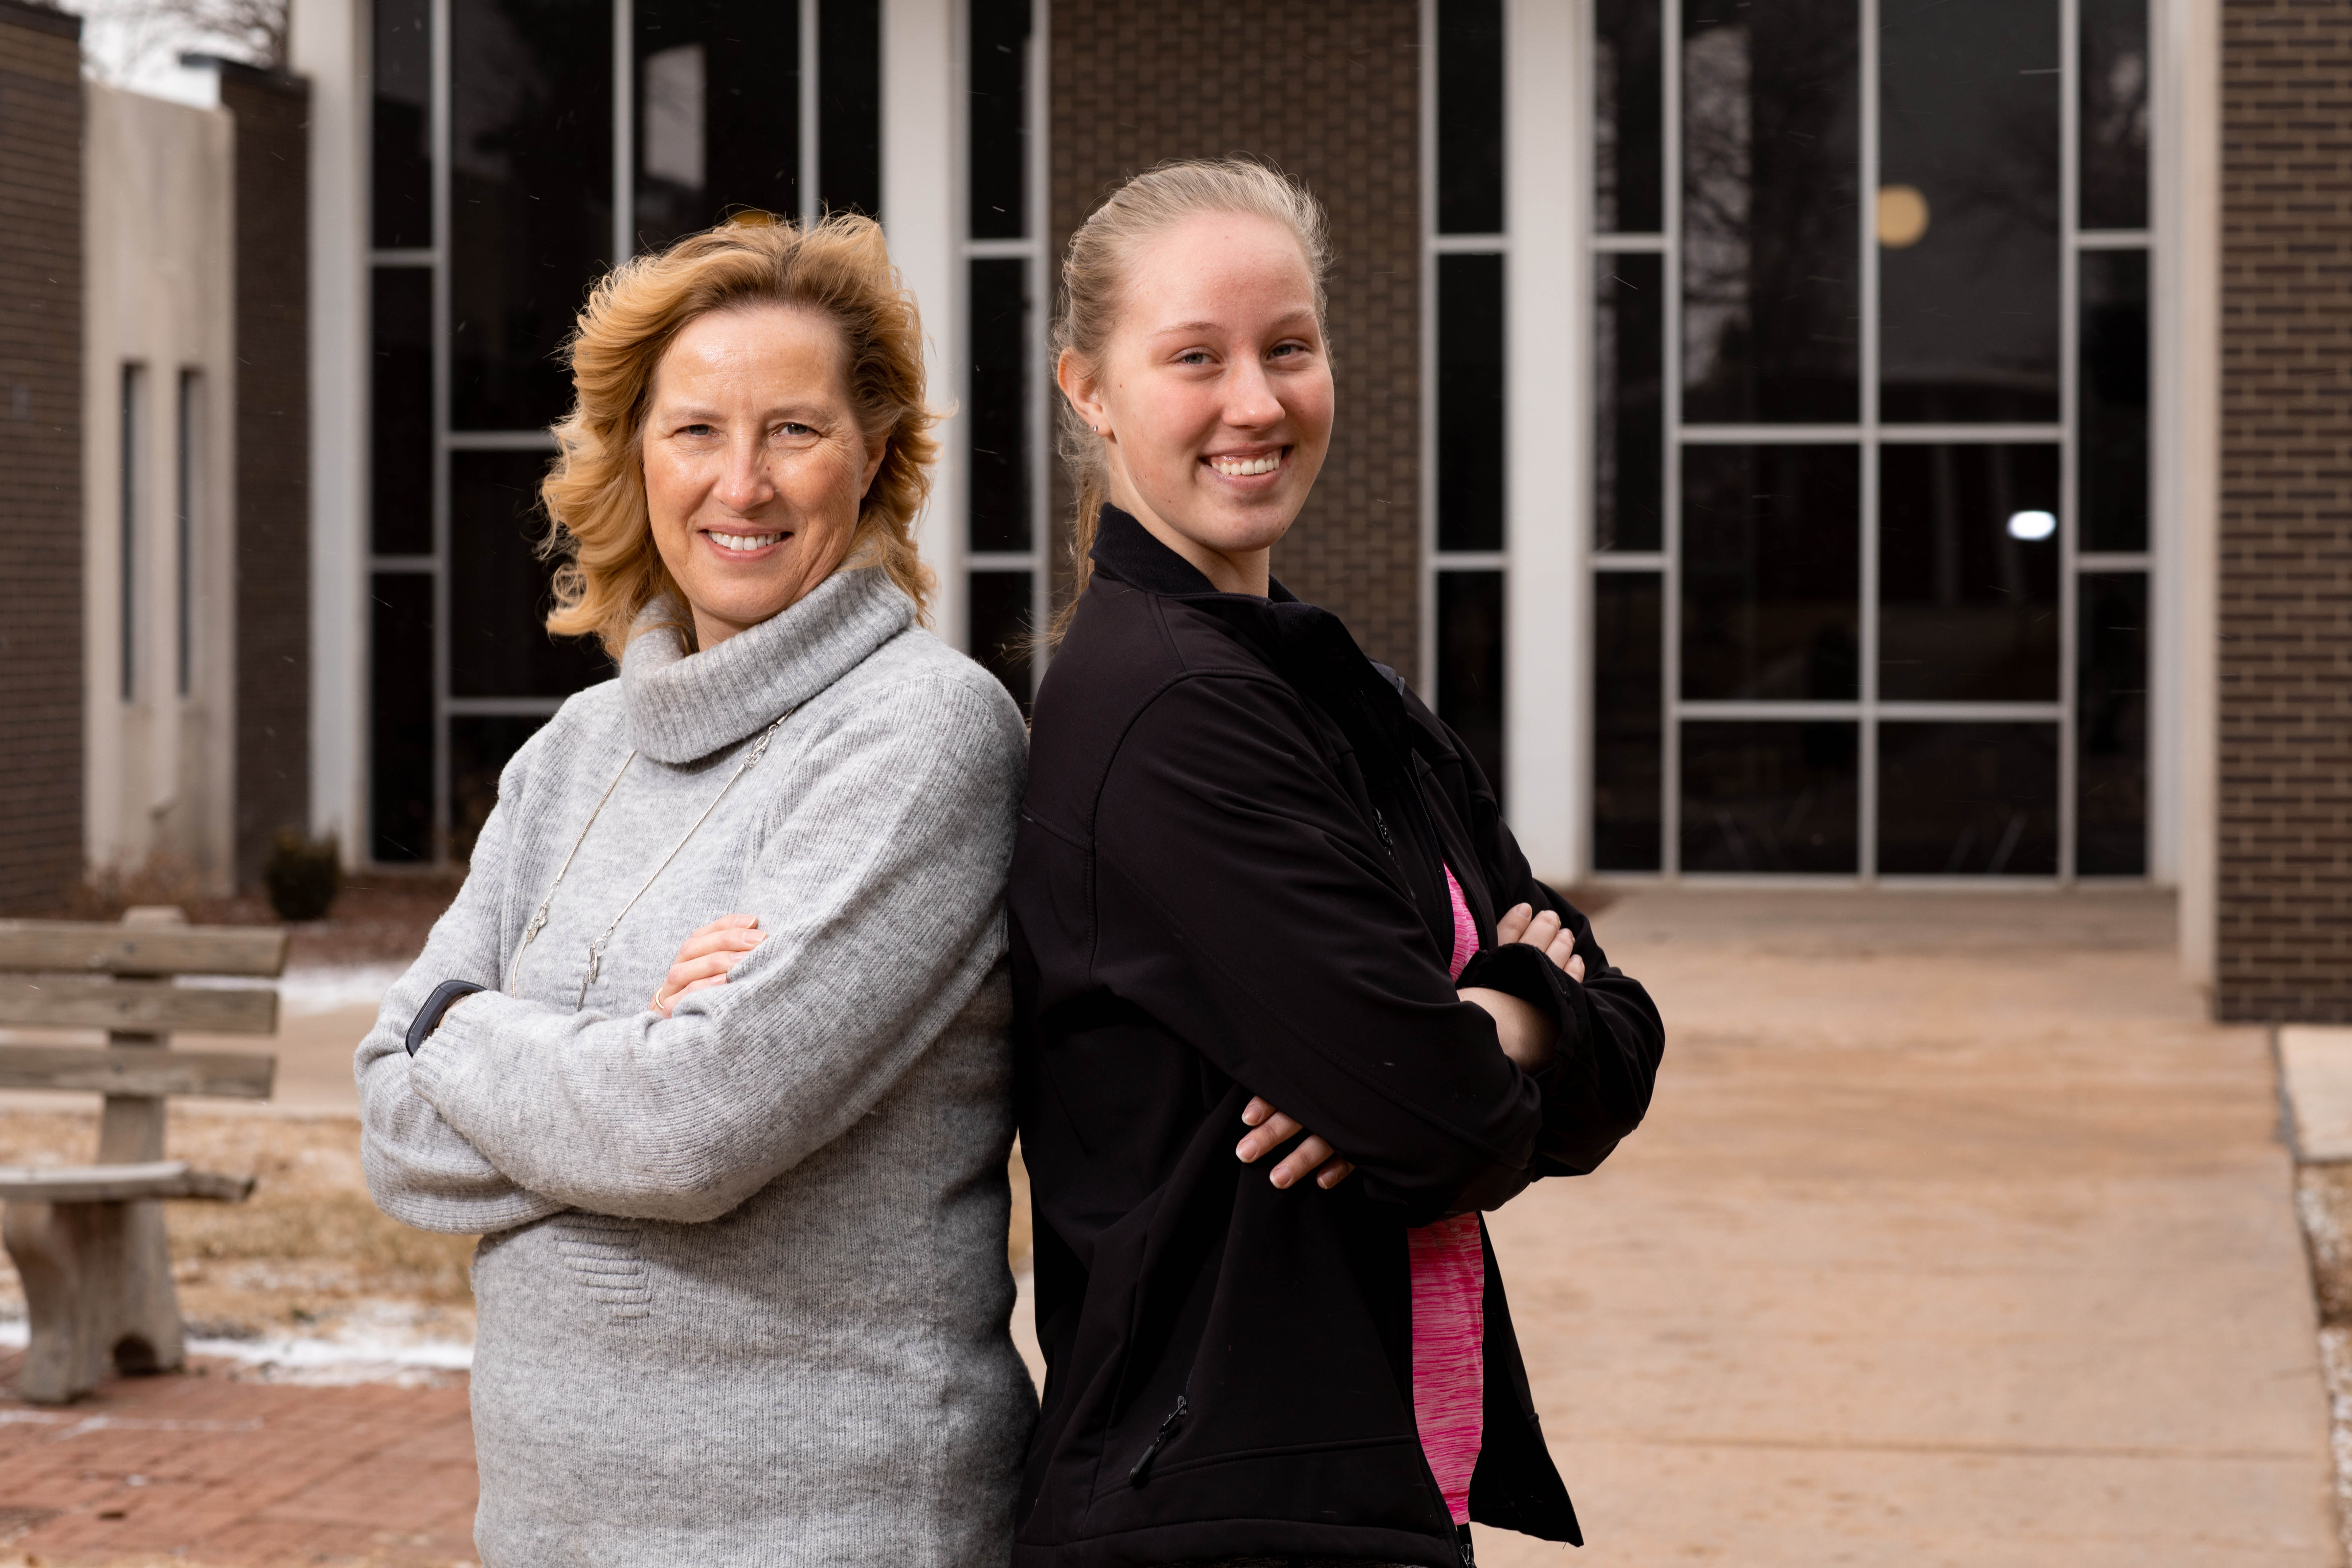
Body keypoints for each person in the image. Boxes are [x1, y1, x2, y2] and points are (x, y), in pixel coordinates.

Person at [1008, 159, 1666, 1568]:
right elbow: (1445, 1125)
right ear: (1090, 389)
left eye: (1287, 349)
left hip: (1357, 1477)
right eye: (1196, 357)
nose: (1256, 401)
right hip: (1211, 1509)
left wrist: (1484, 1020)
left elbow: (1619, 1053)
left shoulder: (1336, 688)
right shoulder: (1169, 711)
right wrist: (1490, 1013)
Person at [354, 213, 1035, 1565]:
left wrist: (465, 1030)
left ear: (879, 456)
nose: (744, 484)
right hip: (549, 1527)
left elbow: (695, 1132)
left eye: (795, 430)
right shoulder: (575, 753)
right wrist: (625, 1056)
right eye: (696, 432)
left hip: (833, 1522)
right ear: (634, 457)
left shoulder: (922, 734)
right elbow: (389, 1130)